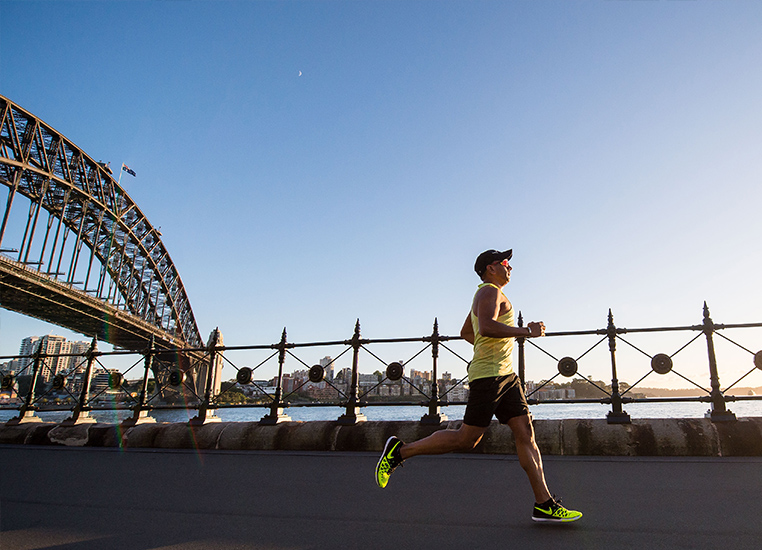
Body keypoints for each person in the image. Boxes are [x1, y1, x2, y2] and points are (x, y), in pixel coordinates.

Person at [374, 249, 582, 523]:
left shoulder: (491, 293)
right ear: (489, 268)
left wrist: (490, 350)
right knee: (467, 439)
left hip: (506, 376)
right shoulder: (489, 292)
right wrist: (525, 332)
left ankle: (544, 503)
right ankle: (399, 451)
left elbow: (467, 332)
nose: (510, 267)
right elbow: (484, 327)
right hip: (490, 377)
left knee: (526, 432)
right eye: (504, 263)